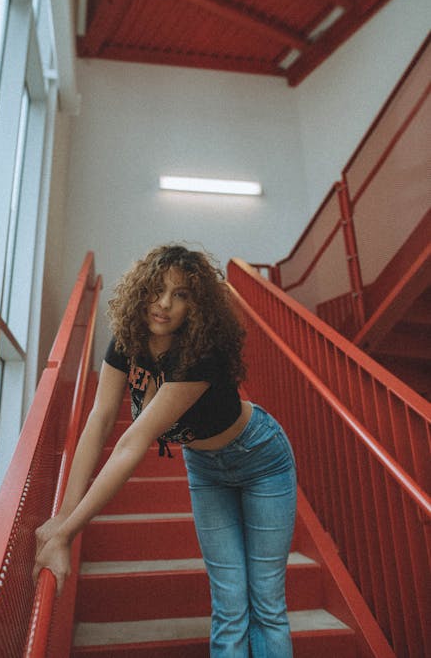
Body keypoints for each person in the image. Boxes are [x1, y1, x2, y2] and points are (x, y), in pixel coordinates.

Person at [33, 244, 297, 657]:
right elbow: (99, 420)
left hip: (260, 458)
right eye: (157, 290)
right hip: (206, 467)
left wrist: (67, 533)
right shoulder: (127, 340)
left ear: (196, 306)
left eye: (180, 295)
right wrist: (63, 515)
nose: (163, 304)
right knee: (229, 603)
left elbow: (132, 442)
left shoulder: (199, 354)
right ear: (141, 291)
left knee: (266, 602)